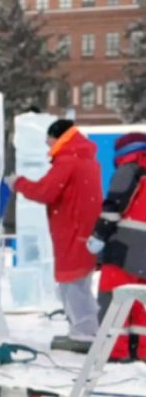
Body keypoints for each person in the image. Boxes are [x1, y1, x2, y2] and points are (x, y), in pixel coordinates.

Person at [8, 119, 103, 349]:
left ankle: (84, 335)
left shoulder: (68, 160)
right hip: (83, 232)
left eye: (48, 140)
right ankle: (86, 331)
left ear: (58, 137)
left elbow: (45, 191)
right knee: (79, 283)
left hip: (72, 231)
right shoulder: (86, 159)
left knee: (72, 285)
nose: (46, 145)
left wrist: (18, 182)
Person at [88, 131, 146, 360]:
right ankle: (141, 349)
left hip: (124, 248)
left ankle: (115, 350)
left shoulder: (129, 169)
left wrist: (99, 235)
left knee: (113, 298)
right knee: (141, 302)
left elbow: (113, 207)